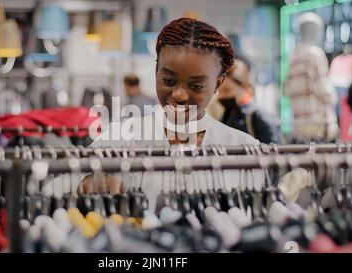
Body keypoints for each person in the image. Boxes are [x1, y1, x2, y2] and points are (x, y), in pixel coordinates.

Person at [81, 18, 264, 211]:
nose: (179, 94)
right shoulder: (118, 138)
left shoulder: (243, 150)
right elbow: (56, 188)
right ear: (156, 72)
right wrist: (88, 183)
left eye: (196, 86)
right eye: (168, 81)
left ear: (218, 84)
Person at [284, 12, 338, 142]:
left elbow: (286, 90)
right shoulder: (315, 53)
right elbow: (325, 91)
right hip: (317, 126)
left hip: (298, 128)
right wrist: (335, 97)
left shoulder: (293, 57)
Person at [207, 58, 281, 144]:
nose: (222, 95)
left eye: (227, 90)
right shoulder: (226, 115)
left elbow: (273, 151)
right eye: (219, 91)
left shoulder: (258, 117)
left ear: (244, 87)